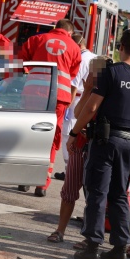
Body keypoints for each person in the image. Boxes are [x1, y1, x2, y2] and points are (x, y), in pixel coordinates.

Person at [69, 28, 130, 259]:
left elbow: (90, 109)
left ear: (121, 47)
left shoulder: (111, 72)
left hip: (105, 141)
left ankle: (92, 247)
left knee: (98, 192)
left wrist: (74, 132)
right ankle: (120, 249)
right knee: (120, 193)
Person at [46, 56, 112, 244]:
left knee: (95, 194)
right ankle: (60, 230)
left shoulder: (109, 91)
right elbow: (77, 113)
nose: (89, 74)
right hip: (81, 146)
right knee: (70, 190)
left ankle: (89, 237)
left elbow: (89, 111)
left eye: (93, 71)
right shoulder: (93, 90)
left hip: (95, 147)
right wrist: (88, 90)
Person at [18, 19, 81, 197]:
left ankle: (24, 179)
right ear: (69, 33)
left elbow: (22, 62)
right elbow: (73, 73)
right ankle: (42, 185)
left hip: (33, 93)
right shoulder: (75, 48)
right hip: (58, 98)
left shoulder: (36, 39)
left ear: (56, 28)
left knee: (30, 135)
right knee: (52, 139)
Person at [54, 34, 96, 181]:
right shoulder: (95, 57)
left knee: (68, 133)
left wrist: (66, 106)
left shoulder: (80, 59)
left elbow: (72, 86)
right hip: (91, 99)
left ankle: (69, 170)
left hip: (76, 99)